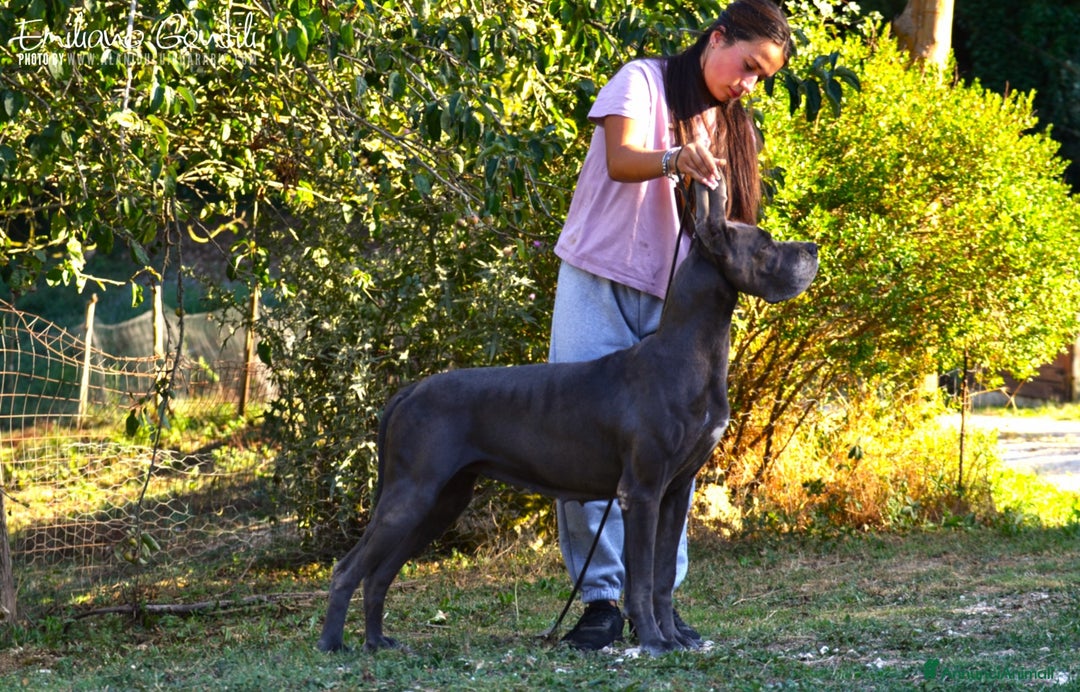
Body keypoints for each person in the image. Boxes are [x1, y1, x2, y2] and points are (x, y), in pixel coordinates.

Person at [549, 0, 793, 651]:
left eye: (761, 79)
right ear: (717, 38)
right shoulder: (643, 81)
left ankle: (659, 601)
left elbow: (728, 238)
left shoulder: (736, 131)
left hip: (673, 310)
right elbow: (622, 158)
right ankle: (600, 603)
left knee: (672, 454)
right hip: (596, 284)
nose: (748, 84)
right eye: (747, 66)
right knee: (577, 440)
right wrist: (675, 159)